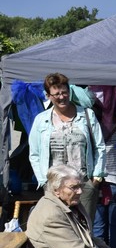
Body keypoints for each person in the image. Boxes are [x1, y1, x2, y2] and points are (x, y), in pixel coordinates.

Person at [28, 72, 106, 221]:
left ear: (69, 92)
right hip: (54, 187)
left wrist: (96, 179)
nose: (61, 97)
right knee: (57, 227)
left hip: (83, 185)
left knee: (84, 228)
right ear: (48, 96)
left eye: (64, 92)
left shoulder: (87, 115)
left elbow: (99, 147)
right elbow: (34, 154)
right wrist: (44, 182)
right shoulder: (41, 120)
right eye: (56, 94)